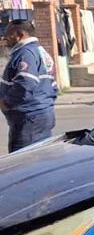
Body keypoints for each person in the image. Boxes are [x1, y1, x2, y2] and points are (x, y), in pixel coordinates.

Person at [0, 19, 58, 152]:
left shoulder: (25, 53)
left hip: (28, 120)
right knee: (40, 159)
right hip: (40, 115)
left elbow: (26, 84)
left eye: (8, 35)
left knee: (23, 163)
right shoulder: (40, 51)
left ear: (19, 34)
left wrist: (7, 103)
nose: (5, 38)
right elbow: (53, 86)